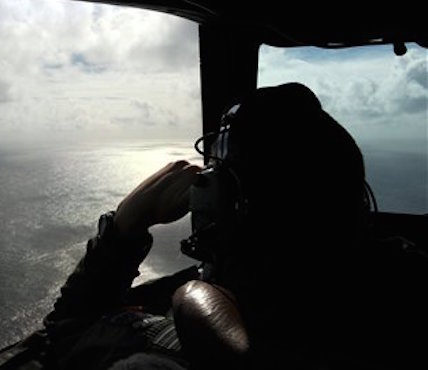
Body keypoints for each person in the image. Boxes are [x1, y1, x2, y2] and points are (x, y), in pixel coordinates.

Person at [40, 82, 427, 370]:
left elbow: (67, 331)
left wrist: (126, 222)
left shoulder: (165, 356)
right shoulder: (405, 292)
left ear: (224, 202)